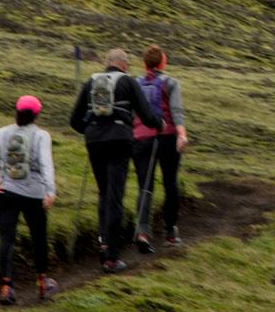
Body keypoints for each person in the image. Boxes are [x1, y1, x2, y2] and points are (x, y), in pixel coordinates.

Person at [68, 48, 164, 273]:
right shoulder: (128, 82)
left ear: (106, 62)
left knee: (103, 192)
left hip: (95, 141)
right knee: (115, 197)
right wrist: (159, 124)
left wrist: (91, 130)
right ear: (121, 63)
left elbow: (74, 120)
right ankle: (112, 257)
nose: (128, 66)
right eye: (127, 62)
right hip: (119, 141)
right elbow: (147, 116)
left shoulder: (90, 81)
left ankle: (102, 243)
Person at [0, 95, 60, 304]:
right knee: (39, 237)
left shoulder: (3, 132)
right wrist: (50, 191)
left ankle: (6, 286)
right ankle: (42, 282)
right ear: (37, 114)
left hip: (5, 192)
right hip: (34, 194)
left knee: (7, 238)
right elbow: (46, 164)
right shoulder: (42, 135)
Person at [132, 45, 191, 253]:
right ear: (162, 63)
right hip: (167, 138)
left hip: (141, 139)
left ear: (145, 63)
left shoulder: (135, 84)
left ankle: (142, 231)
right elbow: (176, 111)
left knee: (145, 186)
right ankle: (170, 232)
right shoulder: (170, 83)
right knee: (170, 184)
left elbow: (132, 114)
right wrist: (182, 134)